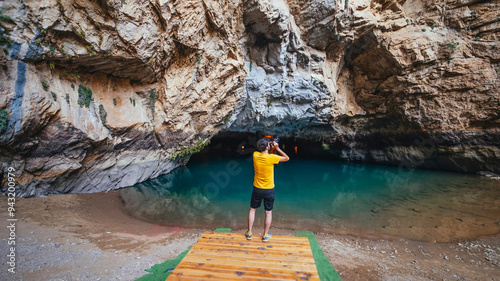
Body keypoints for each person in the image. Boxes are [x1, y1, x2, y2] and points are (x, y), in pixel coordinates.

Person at [246, 137, 289, 242]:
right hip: (269, 190)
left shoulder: (255, 155)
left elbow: (267, 154)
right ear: (267, 147)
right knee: (268, 212)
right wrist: (277, 148)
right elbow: (287, 158)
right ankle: (265, 235)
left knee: (252, 210)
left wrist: (270, 147)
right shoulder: (272, 158)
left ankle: (249, 233)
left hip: (257, 188)